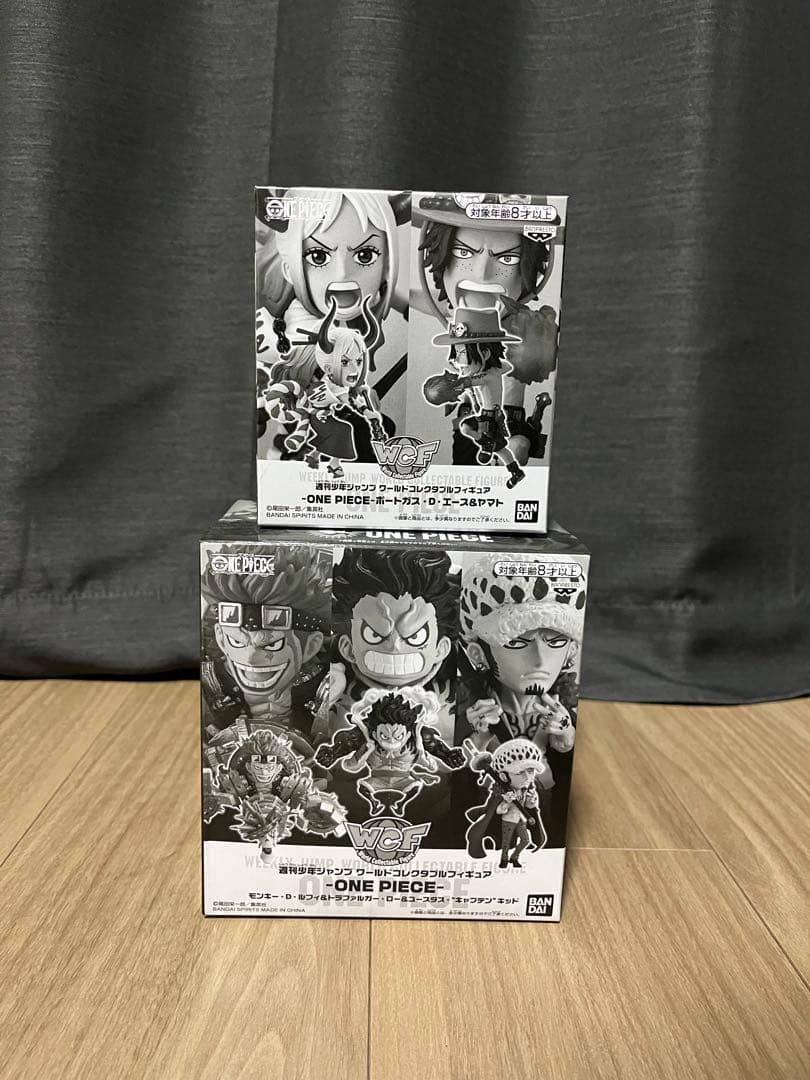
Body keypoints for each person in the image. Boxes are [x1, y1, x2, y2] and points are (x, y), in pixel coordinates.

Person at [413, 191, 561, 464]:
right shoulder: (460, 316)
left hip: (507, 422)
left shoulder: (528, 326)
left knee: (514, 447)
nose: (482, 272)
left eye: (507, 259)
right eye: (463, 252)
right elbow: (412, 297)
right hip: (471, 421)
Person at [201, 544, 332, 762]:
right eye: (237, 641)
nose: (251, 658)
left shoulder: (326, 688)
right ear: (221, 638)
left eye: (272, 645)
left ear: (311, 646)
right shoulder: (209, 684)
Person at [422, 305, 525, 486]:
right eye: (456, 353)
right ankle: (513, 469)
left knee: (467, 429)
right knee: (499, 448)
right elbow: (505, 367)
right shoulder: (495, 370)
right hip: (488, 414)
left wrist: (449, 386)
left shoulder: (487, 376)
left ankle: (488, 445)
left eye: (461, 353)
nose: (455, 359)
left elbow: (468, 382)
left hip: (490, 418)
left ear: (484, 353)